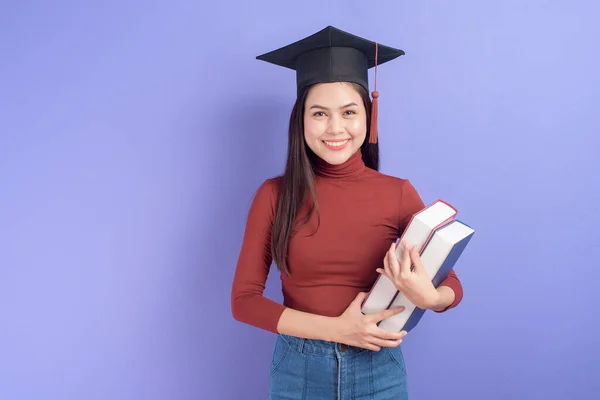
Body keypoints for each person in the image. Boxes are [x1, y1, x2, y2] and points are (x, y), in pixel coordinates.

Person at [231, 25, 463, 399]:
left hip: (379, 372)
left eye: (349, 112)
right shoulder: (274, 195)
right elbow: (244, 302)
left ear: (368, 117)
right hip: (299, 371)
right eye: (319, 113)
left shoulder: (398, 193)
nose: (335, 128)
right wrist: (338, 330)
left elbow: (451, 284)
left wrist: (430, 298)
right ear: (301, 120)